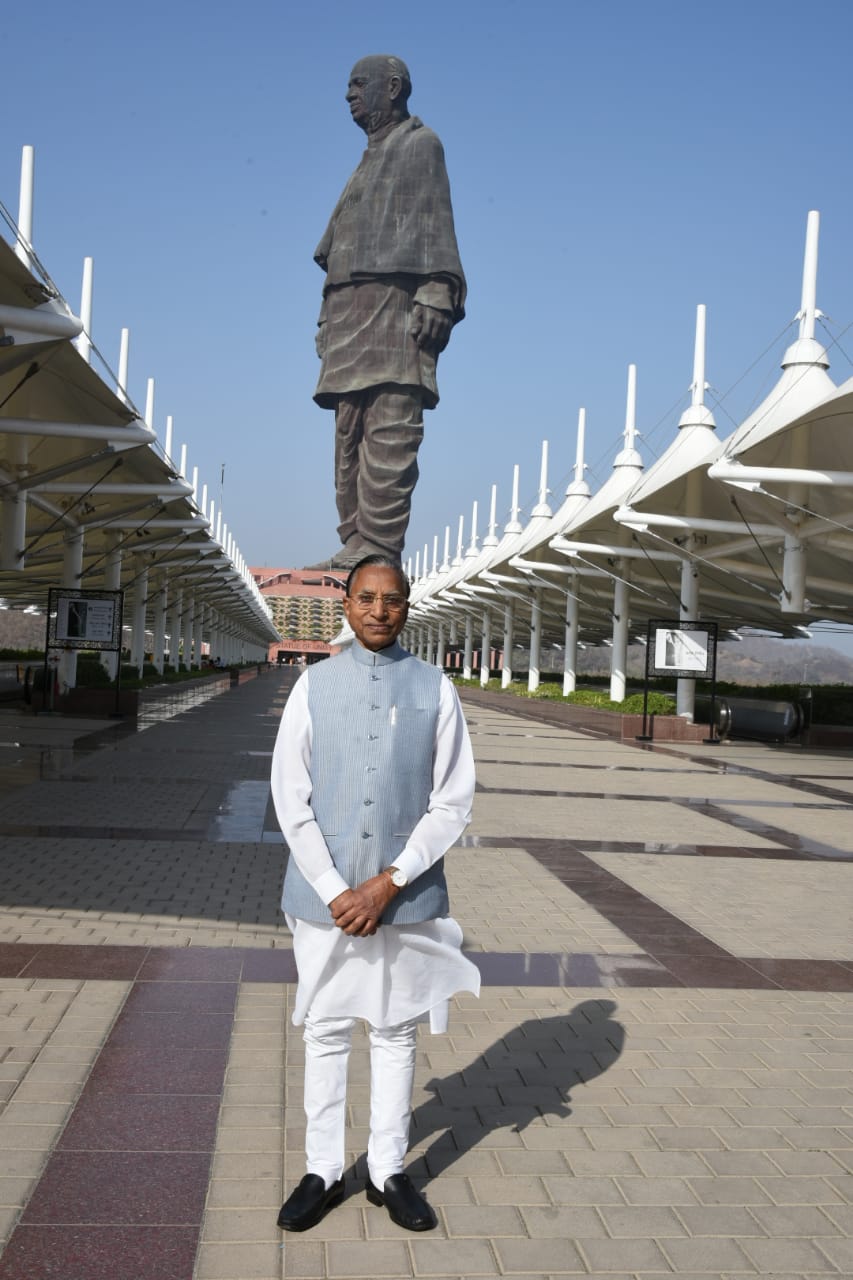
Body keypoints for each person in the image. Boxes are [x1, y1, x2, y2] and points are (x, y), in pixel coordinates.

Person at [271, 554, 479, 1233]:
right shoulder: (312, 685)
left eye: (391, 599)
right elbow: (289, 797)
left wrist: (387, 883)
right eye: (366, 598)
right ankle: (322, 1169)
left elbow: (451, 801)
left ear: (407, 605)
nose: (378, 611)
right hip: (321, 899)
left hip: (405, 896)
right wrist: (336, 890)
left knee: (394, 1028)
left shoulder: (434, 688)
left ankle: (388, 1168)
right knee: (326, 1028)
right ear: (347, 605)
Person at [313, 55, 466, 567]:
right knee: (348, 435)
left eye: (359, 84)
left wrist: (437, 290)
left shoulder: (420, 145)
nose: (349, 94)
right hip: (348, 314)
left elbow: (436, 224)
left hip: (394, 309)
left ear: (393, 87)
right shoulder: (366, 159)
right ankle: (355, 537)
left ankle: (378, 544)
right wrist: (325, 318)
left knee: (390, 430)